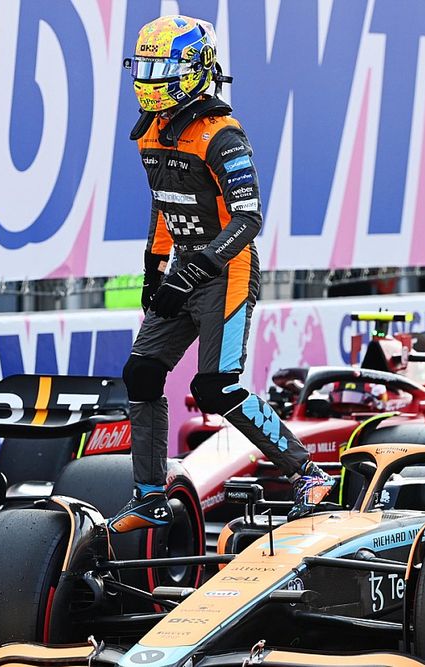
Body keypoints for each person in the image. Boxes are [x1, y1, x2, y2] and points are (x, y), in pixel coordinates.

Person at [109, 15, 334, 533]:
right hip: (184, 265)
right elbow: (165, 204)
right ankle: (148, 495)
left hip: (226, 271)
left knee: (216, 387)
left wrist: (193, 272)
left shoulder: (223, 136)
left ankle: (308, 473)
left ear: (192, 70)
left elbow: (249, 219)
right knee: (141, 375)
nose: (148, 77)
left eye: (160, 66)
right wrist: (153, 267)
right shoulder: (151, 132)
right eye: (144, 65)